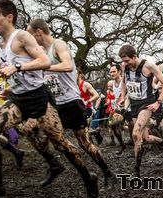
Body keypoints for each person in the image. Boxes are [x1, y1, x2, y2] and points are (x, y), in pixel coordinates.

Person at [0, 0, 98, 198]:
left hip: (39, 98)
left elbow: (45, 61)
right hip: (19, 99)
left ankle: (88, 177)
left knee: (62, 144)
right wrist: (7, 87)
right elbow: (14, 75)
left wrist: (17, 67)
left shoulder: (21, 36)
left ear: (9, 17)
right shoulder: (0, 45)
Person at [26, 18, 113, 183]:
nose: (29, 39)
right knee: (35, 131)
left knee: (85, 143)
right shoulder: (38, 52)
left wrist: (43, 66)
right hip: (53, 105)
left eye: (30, 34)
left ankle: (107, 172)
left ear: (38, 32)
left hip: (71, 101)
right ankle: (54, 165)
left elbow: (68, 66)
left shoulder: (58, 45)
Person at [118, 44, 163, 177]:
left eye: (127, 60)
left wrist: (158, 103)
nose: (125, 64)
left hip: (147, 103)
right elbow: (124, 82)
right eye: (123, 61)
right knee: (144, 138)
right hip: (134, 104)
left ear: (134, 56)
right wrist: (123, 97)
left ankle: (136, 169)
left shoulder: (149, 66)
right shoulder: (124, 66)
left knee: (136, 134)